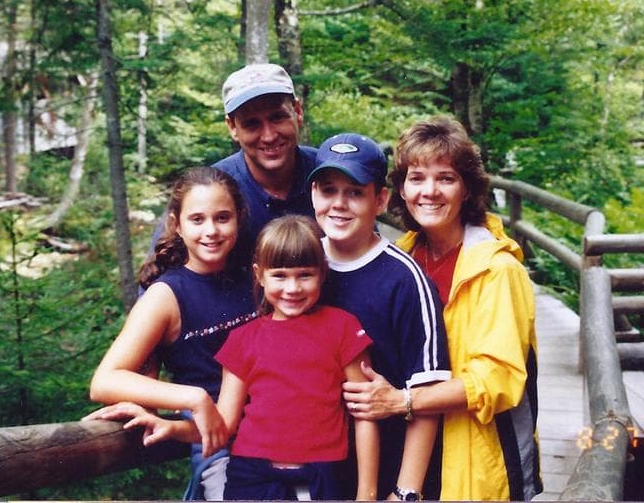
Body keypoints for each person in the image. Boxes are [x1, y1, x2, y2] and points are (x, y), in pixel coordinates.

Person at [342, 115, 542, 500]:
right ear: (400, 189)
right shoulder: (401, 259)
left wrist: (403, 400)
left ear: (467, 189)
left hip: (475, 459)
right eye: (416, 178)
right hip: (406, 457)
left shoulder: (498, 269)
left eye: (446, 178)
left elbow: (498, 378)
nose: (429, 191)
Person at [128, 215, 379, 501]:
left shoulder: (343, 327)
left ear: (322, 273)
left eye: (305, 275)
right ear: (260, 275)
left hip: (325, 473)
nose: (293, 288)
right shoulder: (242, 340)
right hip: (252, 475)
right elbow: (224, 423)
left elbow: (366, 414)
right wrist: (172, 428)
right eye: (280, 275)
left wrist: (367, 494)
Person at [83, 166, 258, 500]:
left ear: (239, 218)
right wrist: (192, 397)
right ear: (177, 225)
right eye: (197, 220)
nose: (211, 231)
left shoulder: (253, 274)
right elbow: (105, 380)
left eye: (223, 218)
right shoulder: (165, 296)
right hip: (218, 443)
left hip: (277, 430)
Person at [308, 133, 452, 501]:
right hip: (314, 475)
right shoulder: (302, 266)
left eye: (355, 192)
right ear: (313, 195)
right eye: (328, 190)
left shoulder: (405, 279)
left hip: (387, 475)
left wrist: (405, 492)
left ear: (381, 200)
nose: (339, 204)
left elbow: (428, 392)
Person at [214, 63, 318, 261]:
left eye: (278, 117)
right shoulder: (210, 191)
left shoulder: (329, 174)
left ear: (298, 111)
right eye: (252, 124)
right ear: (232, 127)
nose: (269, 136)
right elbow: (162, 276)